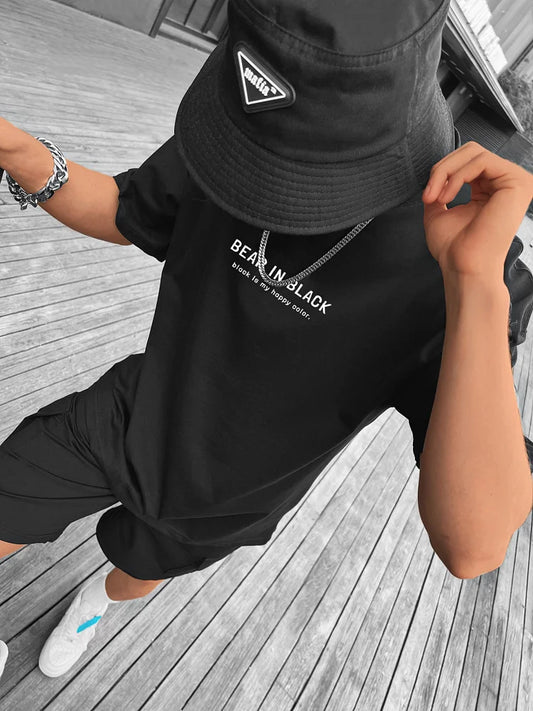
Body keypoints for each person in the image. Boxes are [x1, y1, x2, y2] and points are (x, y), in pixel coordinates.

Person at [0, 0, 533, 683]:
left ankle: (96, 601)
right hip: (134, 410)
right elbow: (126, 208)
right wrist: (19, 151)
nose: (266, 182)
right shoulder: (241, 136)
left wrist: (473, 284)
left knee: (136, 571)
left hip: (235, 492)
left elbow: (473, 542)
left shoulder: (475, 258)